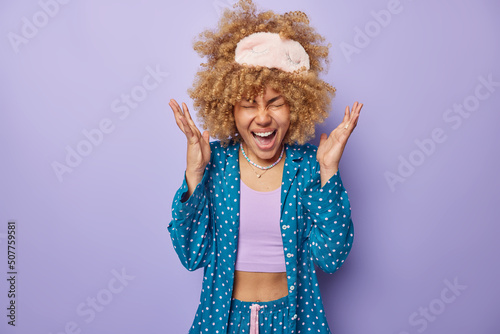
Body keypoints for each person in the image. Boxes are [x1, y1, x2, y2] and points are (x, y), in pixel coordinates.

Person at [168, 1, 363, 333]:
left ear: (297, 104)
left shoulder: (307, 167)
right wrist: (195, 175)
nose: (262, 117)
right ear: (229, 109)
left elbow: (331, 257)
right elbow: (190, 254)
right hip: (223, 320)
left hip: (294, 320)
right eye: (248, 105)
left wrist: (329, 171)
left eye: (276, 103)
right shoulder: (217, 165)